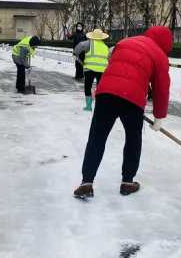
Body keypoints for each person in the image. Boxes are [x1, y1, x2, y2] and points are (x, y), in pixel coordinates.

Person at [73, 26, 172, 199]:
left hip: (106, 92)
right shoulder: (160, 55)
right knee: (133, 139)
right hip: (132, 98)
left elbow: (112, 58)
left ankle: (86, 182)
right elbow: (161, 88)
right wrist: (159, 117)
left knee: (97, 137)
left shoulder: (125, 41)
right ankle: (127, 182)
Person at [74, 29, 111, 111]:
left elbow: (79, 46)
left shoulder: (88, 43)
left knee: (88, 86)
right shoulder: (105, 47)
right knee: (100, 88)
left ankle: (88, 106)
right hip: (102, 70)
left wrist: (76, 54)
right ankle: (99, 106)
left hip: (89, 69)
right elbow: (109, 58)